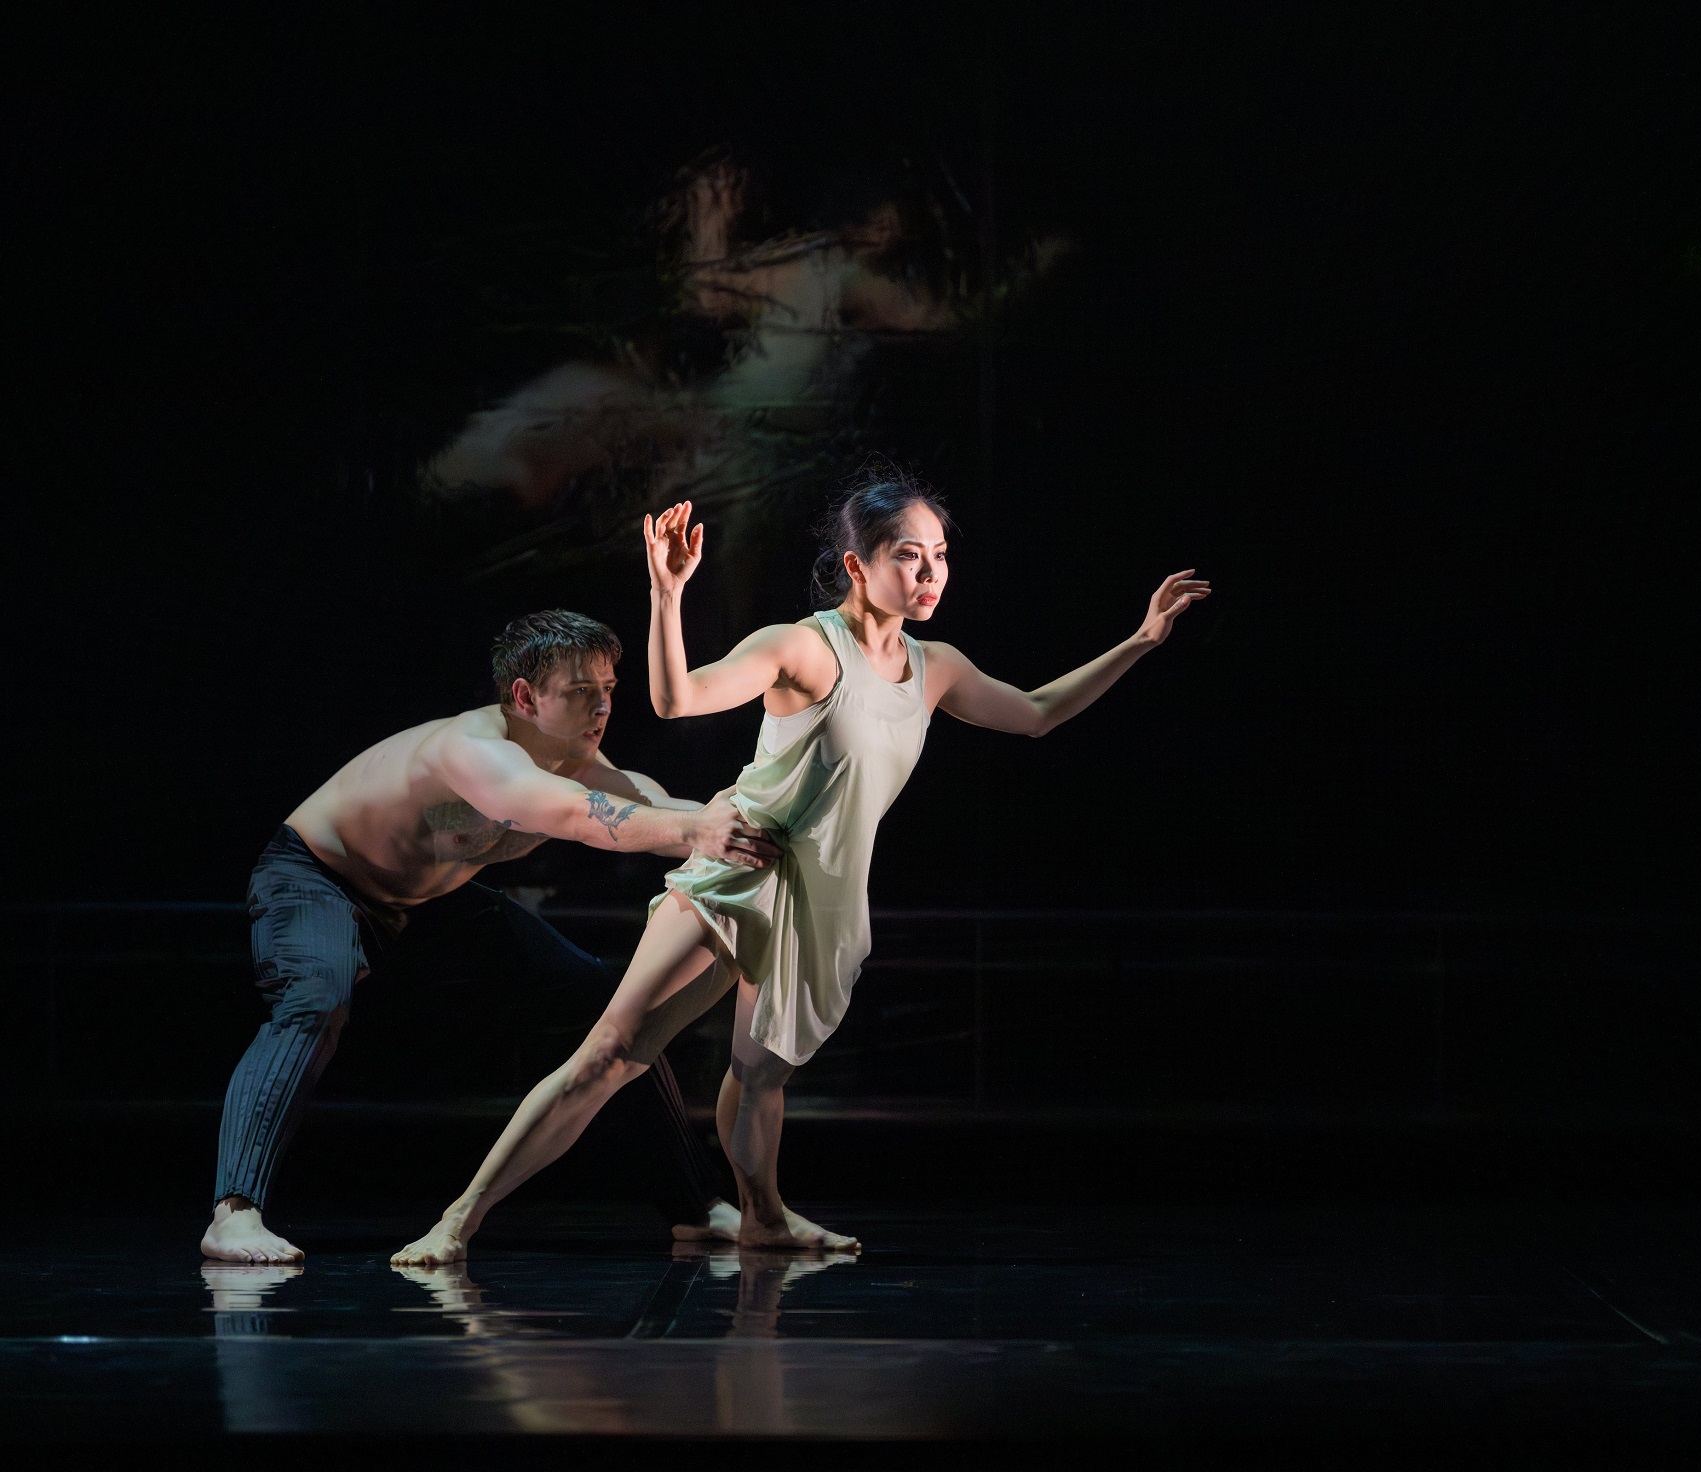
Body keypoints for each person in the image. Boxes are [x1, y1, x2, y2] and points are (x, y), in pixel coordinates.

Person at [391, 466, 1209, 1265]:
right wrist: (668, 594)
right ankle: (457, 1222)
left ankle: (764, 1218)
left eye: (940, 555)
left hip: (822, 900)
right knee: (610, 1055)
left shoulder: (937, 668)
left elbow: (1035, 715)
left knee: (759, 1076)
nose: (930, 572)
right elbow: (678, 699)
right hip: (741, 871)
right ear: (857, 565)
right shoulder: (803, 649)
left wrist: (1140, 641)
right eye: (908, 555)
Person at [202, 610, 779, 1263]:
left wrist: (742, 820)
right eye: (580, 692)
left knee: (604, 1000)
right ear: (525, 697)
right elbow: (574, 817)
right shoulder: (474, 750)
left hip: (431, 903)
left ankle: (696, 1208)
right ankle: (234, 1214)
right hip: (319, 880)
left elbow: (645, 802)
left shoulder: (577, 758)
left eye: (609, 689)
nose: (601, 707)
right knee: (313, 999)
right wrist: (697, 831)